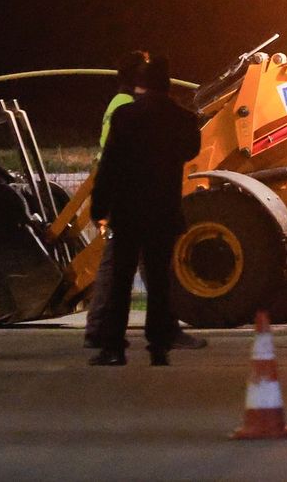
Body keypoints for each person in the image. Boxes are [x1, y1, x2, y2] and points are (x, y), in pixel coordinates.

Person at [83, 53, 206, 352]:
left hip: (126, 206)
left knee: (122, 273)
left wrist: (100, 205)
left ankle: (110, 336)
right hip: (156, 207)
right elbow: (186, 150)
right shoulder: (135, 109)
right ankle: (122, 331)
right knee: (143, 273)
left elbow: (111, 160)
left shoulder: (125, 110)